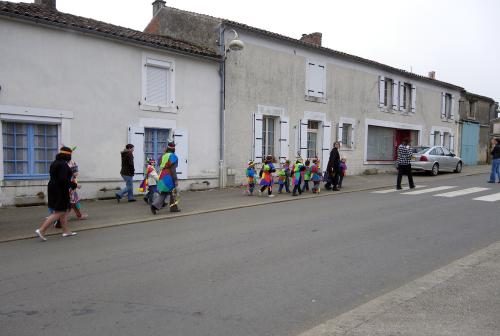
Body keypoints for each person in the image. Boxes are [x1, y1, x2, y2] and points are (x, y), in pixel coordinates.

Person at [35, 146, 78, 241]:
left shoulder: (55, 163)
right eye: (70, 155)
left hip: (53, 187)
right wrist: (73, 185)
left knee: (65, 209)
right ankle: (41, 230)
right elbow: (62, 179)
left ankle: (66, 231)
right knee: (60, 211)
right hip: (60, 189)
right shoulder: (63, 164)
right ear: (67, 155)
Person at [151, 142, 180, 214]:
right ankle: (173, 208)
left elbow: (159, 164)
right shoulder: (173, 156)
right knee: (173, 192)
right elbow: (173, 169)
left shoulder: (162, 156)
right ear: (174, 149)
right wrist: (175, 180)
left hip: (161, 175)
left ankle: (154, 206)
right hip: (169, 176)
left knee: (163, 193)